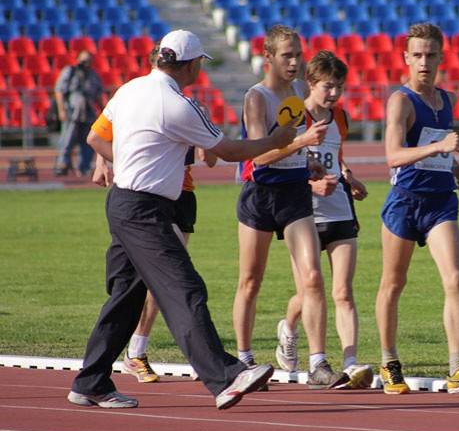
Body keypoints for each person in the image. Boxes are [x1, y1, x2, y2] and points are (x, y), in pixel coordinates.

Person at [69, 29, 295, 410]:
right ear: (189, 65)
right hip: (145, 210)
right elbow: (228, 150)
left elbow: (95, 138)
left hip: (123, 201)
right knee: (184, 288)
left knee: (126, 297)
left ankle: (90, 380)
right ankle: (225, 376)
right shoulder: (177, 104)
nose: (199, 72)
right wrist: (277, 141)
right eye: (198, 65)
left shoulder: (130, 89)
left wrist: (128, 165)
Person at [374, 23, 459, 395]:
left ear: (441, 57)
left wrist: (455, 168)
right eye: (418, 56)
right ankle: (390, 360)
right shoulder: (401, 101)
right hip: (405, 203)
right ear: (406, 58)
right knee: (394, 284)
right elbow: (393, 156)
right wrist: (439, 149)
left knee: (455, 279)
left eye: (431, 55)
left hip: (441, 202)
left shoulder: (447, 100)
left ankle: (457, 367)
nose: (424, 62)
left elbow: (434, 152)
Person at [233, 25, 348, 390]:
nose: (296, 62)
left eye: (298, 54)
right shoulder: (257, 97)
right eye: (288, 55)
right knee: (251, 280)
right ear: (268, 57)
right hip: (261, 193)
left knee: (313, 277)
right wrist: (301, 142)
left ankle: (318, 363)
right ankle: (244, 360)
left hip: (295, 192)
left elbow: (295, 148)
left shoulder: (300, 91)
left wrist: (309, 163)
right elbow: (259, 154)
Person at [92, 46, 215, 384]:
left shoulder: (188, 108)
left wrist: (203, 133)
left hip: (180, 193)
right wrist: (114, 162)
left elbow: (212, 158)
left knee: (147, 285)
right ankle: (215, 370)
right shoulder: (145, 100)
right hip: (146, 198)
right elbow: (102, 137)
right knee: (173, 282)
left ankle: (113, 364)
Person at [277, 50, 373, 389]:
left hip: (339, 209)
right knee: (307, 290)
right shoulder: (291, 114)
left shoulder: (340, 118)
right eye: (328, 87)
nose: (333, 94)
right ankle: (288, 328)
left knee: (343, 292)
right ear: (311, 83)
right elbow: (277, 160)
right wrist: (310, 182)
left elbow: (336, 155)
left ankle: (350, 363)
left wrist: (349, 176)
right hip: (301, 213)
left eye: (339, 88)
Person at [54, 50, 104, 176]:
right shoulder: (70, 72)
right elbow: (59, 91)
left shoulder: (93, 75)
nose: (85, 63)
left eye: (88, 61)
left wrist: (104, 111)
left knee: (87, 142)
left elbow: (98, 95)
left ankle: (84, 167)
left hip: (88, 112)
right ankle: (62, 164)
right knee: (67, 139)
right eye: (83, 60)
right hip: (72, 111)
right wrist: (61, 110)